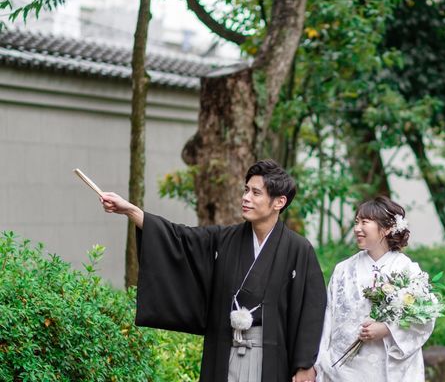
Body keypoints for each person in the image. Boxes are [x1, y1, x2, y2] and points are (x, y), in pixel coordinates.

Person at [100, 159, 327, 382]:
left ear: (279, 202)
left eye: (256, 193)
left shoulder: (299, 250)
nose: (246, 197)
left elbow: (312, 310)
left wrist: (304, 364)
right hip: (225, 350)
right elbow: (181, 238)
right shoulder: (224, 239)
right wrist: (131, 211)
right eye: (246, 190)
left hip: (271, 357)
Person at [314, 196, 435, 382]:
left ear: (386, 228)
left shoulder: (407, 270)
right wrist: (320, 360)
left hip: (390, 369)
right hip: (342, 368)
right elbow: (328, 317)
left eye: (364, 222)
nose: (357, 228)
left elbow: (425, 319)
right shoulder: (343, 270)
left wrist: (387, 329)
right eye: (356, 222)